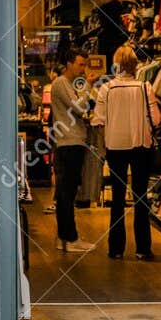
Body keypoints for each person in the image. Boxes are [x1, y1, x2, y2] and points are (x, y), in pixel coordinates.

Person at [93, 45, 158, 260]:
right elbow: (155, 118)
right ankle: (143, 248)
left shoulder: (106, 88)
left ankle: (116, 248)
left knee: (118, 198)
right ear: (134, 64)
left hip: (115, 146)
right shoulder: (144, 87)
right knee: (141, 197)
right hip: (140, 145)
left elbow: (99, 120)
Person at [48, 52, 93, 254]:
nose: (83, 69)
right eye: (80, 64)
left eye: (85, 65)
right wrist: (89, 88)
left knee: (68, 191)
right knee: (67, 192)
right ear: (69, 63)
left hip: (71, 141)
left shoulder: (68, 84)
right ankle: (69, 238)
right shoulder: (61, 83)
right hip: (68, 142)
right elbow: (80, 107)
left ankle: (65, 237)